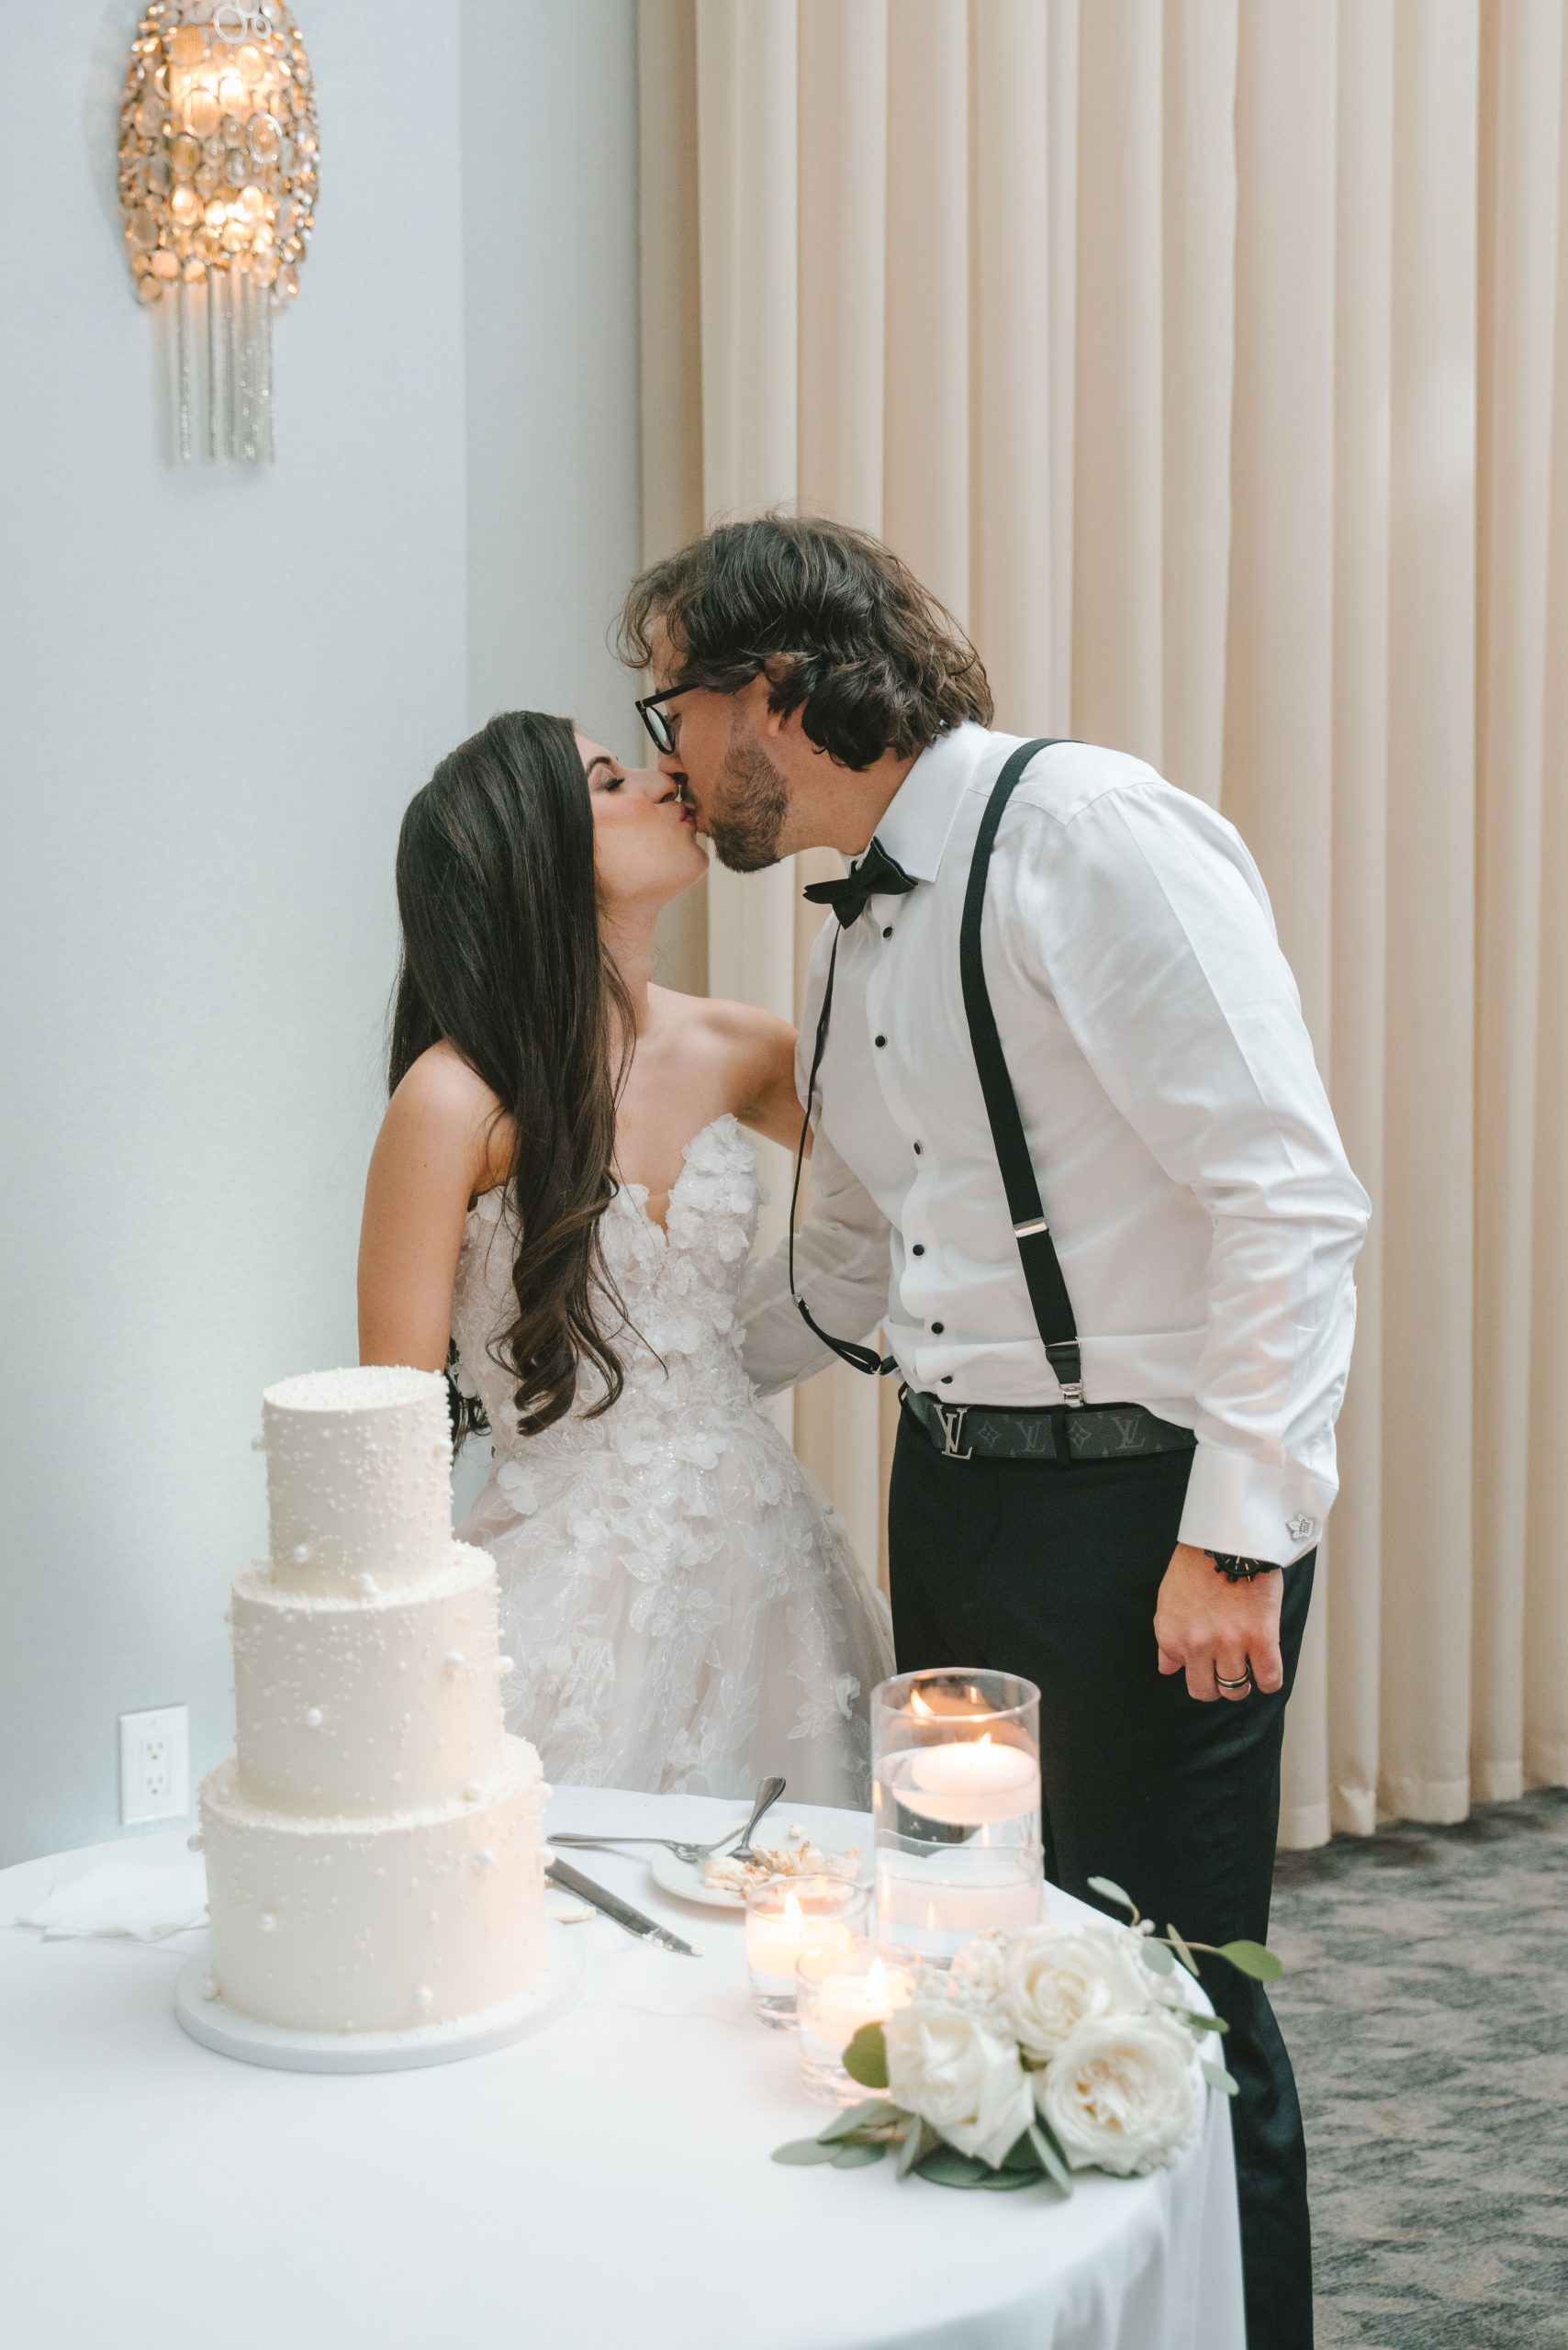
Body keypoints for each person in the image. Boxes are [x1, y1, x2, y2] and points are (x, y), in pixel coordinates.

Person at [618, 515, 1369, 2349]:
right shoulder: (854, 929)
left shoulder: (1086, 832)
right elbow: (847, 1273)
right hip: (948, 1503)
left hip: (1148, 1519)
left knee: (1176, 1999)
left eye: (671, 702)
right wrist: (640, 1388)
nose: (666, 751)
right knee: (975, 1966)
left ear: (771, 693)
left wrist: (1235, 1535)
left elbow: (1285, 1197)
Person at [356, 708, 891, 1804]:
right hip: (568, 1578)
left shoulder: (739, 1047)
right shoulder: (452, 1100)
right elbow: (391, 1425)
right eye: (608, 781)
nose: (661, 780)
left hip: (767, 1561)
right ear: (537, 857)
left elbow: (922, 1173)